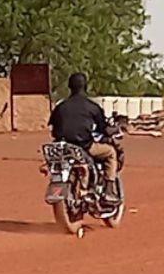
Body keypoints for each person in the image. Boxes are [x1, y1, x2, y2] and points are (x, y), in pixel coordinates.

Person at [48, 72, 120, 203]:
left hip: (63, 149)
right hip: (84, 146)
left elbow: (53, 129)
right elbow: (103, 129)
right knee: (111, 153)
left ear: (69, 86)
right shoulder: (92, 107)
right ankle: (109, 191)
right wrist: (114, 130)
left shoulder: (60, 107)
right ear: (86, 87)